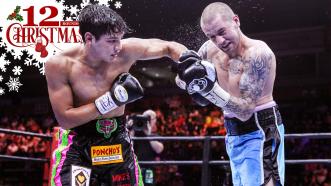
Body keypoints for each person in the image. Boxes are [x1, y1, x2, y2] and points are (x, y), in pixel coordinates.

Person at [45, 4, 186, 186]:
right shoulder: (60, 65)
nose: (118, 46)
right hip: (78, 144)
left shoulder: (126, 51)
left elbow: (169, 47)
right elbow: (65, 119)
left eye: (120, 39)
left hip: (117, 140)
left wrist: (191, 63)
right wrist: (110, 101)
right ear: (89, 38)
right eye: (111, 40)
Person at [174, 2, 285, 186]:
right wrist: (188, 80)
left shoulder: (258, 54)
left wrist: (209, 90)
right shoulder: (209, 49)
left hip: (260, 129)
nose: (219, 41)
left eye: (222, 32)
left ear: (236, 21)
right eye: (211, 36)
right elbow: (183, 80)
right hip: (233, 133)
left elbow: (245, 111)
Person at [131, 110, 164, 186]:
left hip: (149, 169)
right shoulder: (136, 134)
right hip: (134, 168)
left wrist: (148, 134)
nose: (147, 121)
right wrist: (131, 129)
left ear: (154, 120)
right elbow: (128, 147)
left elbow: (159, 149)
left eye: (149, 119)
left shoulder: (155, 136)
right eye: (145, 118)